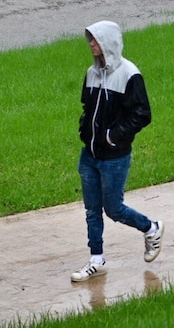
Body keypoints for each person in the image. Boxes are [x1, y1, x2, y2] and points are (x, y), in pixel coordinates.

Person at [71, 20, 164, 282]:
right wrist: (84, 131)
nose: (91, 44)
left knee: (113, 209)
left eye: (95, 40)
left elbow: (142, 114)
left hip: (114, 158)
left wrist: (112, 136)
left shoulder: (129, 74)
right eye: (90, 39)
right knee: (91, 210)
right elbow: (86, 108)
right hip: (89, 155)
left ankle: (151, 228)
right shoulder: (91, 73)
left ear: (107, 42)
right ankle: (96, 260)